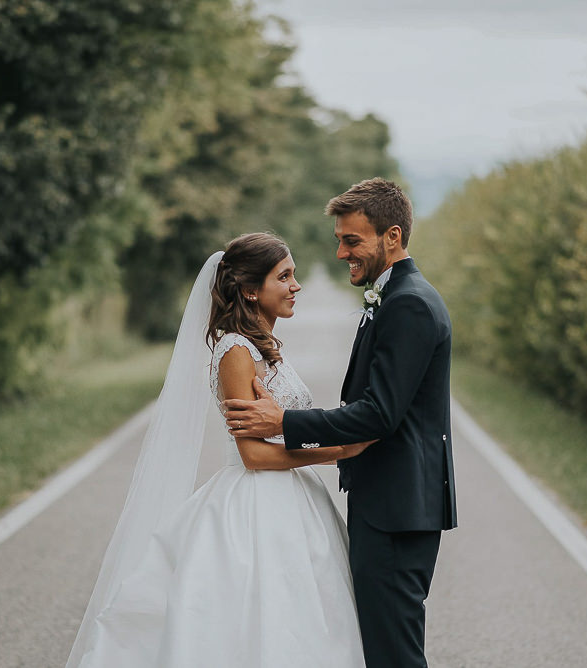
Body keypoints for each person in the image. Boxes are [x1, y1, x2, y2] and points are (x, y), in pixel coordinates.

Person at [66, 233, 371, 668]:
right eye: (284, 276)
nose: (296, 285)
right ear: (250, 289)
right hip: (255, 502)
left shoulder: (266, 345)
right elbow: (254, 456)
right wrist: (337, 451)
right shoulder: (235, 350)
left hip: (296, 497)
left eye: (294, 275)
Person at [225, 178, 458, 668]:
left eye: (352, 240)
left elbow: (379, 414)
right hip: (389, 505)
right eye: (339, 240)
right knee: (381, 647)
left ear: (392, 237)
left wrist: (284, 420)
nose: (340, 253)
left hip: (397, 508)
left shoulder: (409, 303)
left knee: (394, 654)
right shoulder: (394, 297)